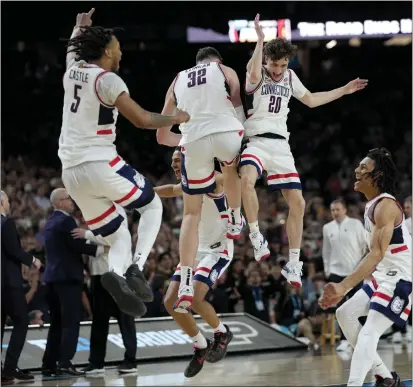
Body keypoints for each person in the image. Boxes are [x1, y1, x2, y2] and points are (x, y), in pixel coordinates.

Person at [59, 8, 190, 316]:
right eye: (117, 46)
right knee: (152, 205)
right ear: (106, 51)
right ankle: (135, 268)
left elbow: (71, 51)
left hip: (71, 174)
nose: (121, 50)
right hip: (100, 163)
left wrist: (79, 27)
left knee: (117, 232)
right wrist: (178, 117)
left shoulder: (72, 70)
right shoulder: (108, 80)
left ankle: (114, 275)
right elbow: (143, 120)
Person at [238, 14, 368, 288]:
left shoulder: (290, 76)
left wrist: (343, 90)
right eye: (275, 64)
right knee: (247, 179)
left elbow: (310, 100)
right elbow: (252, 71)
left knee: (298, 203)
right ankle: (255, 235)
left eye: (283, 65)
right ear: (266, 61)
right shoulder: (257, 73)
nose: (279, 69)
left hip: (281, 145)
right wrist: (260, 39)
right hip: (257, 141)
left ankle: (293, 264)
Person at [156, 46, 245, 313]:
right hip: (227, 131)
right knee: (230, 170)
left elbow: (162, 136)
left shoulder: (177, 79)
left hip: (193, 139)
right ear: (216, 61)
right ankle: (235, 217)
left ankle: (185, 282)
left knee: (190, 215)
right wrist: (243, 138)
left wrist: (183, 141)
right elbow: (239, 106)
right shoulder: (224, 70)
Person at [319, 148, 410, 386]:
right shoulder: (372, 205)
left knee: (370, 331)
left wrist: (342, 286)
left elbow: (377, 253)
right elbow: (372, 255)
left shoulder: (386, 206)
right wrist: (343, 286)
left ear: (377, 176)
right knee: (344, 314)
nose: (356, 171)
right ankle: (386, 377)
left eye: (363, 168)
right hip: (383, 275)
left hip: (401, 278)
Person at [154, 147, 238, 378]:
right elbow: (171, 189)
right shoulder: (186, 186)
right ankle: (200, 344)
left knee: (195, 297)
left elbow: (227, 178)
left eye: (178, 159)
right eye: (172, 160)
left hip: (217, 251)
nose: (174, 164)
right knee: (170, 301)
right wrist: (144, 193)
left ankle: (221, 333)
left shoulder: (213, 181)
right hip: (195, 250)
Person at [41, 188, 107, 376]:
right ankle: (65, 362)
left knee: (56, 324)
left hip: (52, 279)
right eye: (69, 199)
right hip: (68, 278)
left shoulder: (49, 222)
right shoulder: (67, 221)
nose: (72, 202)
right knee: (70, 322)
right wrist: (102, 250)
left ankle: (48, 364)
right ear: (60, 202)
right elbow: (76, 245)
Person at [71, 204, 138, 375]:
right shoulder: (97, 219)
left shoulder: (116, 214)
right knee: (99, 321)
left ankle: (131, 361)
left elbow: (113, 238)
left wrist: (87, 234)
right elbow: (91, 246)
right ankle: (96, 363)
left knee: (125, 320)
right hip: (99, 276)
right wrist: (92, 241)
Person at [1, 191, 41, 383]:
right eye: (7, 201)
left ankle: (3, 372)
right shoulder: (5, 223)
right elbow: (13, 249)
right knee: (21, 321)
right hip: (8, 283)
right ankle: (9, 367)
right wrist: (32, 259)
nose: (9, 204)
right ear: (1, 203)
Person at [322, 197, 368, 351]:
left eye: (337, 209)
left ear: (344, 210)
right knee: (340, 308)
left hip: (354, 272)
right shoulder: (327, 228)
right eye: (332, 210)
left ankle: (363, 338)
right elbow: (326, 251)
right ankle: (344, 340)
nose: (335, 212)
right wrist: (328, 269)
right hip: (335, 272)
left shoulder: (355, 224)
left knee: (359, 305)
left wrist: (362, 268)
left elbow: (364, 246)